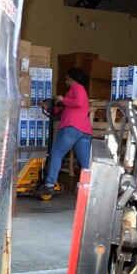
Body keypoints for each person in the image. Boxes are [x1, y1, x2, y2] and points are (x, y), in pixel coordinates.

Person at [36, 67, 93, 197]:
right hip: (84, 131)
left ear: (74, 80)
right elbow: (65, 110)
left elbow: (76, 103)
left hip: (71, 127)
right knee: (85, 163)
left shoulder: (77, 87)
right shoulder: (79, 91)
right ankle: (88, 187)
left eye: (68, 79)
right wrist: (49, 108)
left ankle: (49, 185)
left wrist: (62, 99)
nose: (66, 82)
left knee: (56, 154)